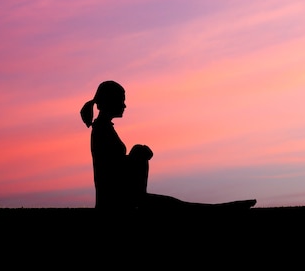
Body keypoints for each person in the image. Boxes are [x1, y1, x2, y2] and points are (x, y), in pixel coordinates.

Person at [80, 80, 256, 211]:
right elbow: (112, 170)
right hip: (116, 202)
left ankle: (222, 209)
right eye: (121, 100)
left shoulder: (103, 129)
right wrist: (137, 155)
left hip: (123, 197)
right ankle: (223, 210)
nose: (125, 105)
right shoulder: (102, 130)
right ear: (110, 101)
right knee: (176, 206)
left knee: (175, 204)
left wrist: (136, 156)